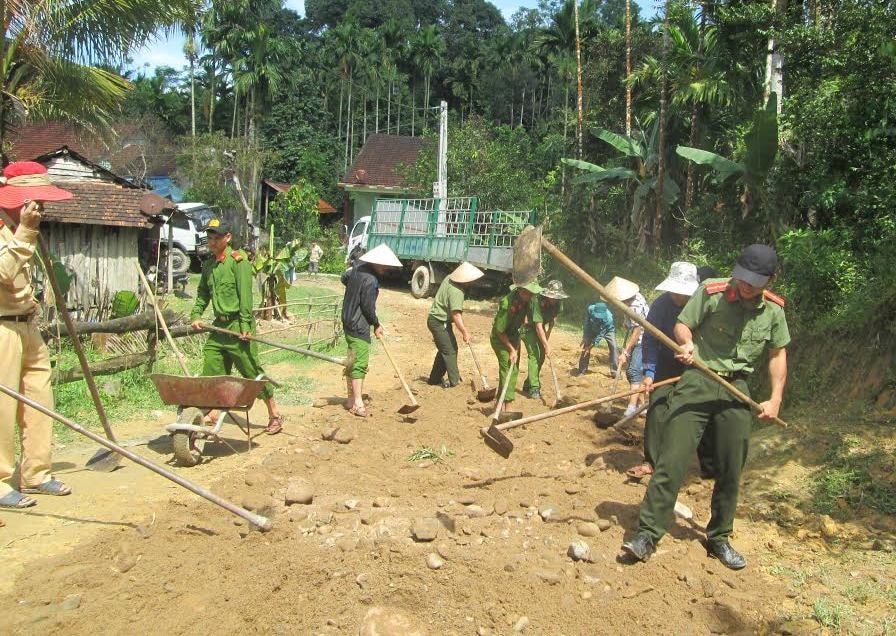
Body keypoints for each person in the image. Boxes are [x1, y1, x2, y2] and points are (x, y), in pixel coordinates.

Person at [622, 245, 790, 570]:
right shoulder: (711, 291)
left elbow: (777, 354)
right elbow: (683, 325)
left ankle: (719, 538)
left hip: (736, 388)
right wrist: (688, 343)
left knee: (730, 467)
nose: (746, 286)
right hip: (698, 379)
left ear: (771, 279)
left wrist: (775, 398)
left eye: (755, 281)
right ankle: (647, 534)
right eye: (743, 277)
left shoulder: (774, 311)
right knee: (671, 459)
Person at [0, 161, 75, 509]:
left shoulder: (24, 228)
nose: (41, 208)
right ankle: (1, 483)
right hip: (2, 328)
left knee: (39, 402)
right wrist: (25, 234)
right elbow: (3, 272)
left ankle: (36, 473)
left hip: (28, 324)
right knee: (3, 407)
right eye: (36, 201)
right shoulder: (6, 229)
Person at [190, 218, 284, 435]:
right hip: (218, 328)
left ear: (228, 238)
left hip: (238, 325)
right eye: (210, 238)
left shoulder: (238, 261)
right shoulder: (208, 266)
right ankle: (214, 411)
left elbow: (245, 297)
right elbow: (203, 294)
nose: (212, 242)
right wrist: (196, 314)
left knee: (251, 371)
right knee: (211, 370)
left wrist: (245, 326)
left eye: (216, 238)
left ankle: (275, 414)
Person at [625, 262, 701, 480]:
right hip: (665, 365)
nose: (677, 297)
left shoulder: (703, 304)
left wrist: (696, 355)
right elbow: (649, 339)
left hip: (696, 367)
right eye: (674, 292)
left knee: (688, 414)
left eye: (682, 292)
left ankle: (684, 462)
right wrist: (649, 372)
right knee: (657, 409)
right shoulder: (661, 305)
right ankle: (651, 460)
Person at [341, 243, 402, 416]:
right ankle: (357, 404)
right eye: (383, 265)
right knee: (359, 363)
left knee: (351, 360)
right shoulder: (371, 280)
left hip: (347, 319)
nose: (385, 268)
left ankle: (350, 399)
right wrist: (376, 324)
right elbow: (368, 307)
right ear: (376, 263)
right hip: (358, 324)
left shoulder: (357, 270)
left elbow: (343, 279)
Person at [427, 261, 484, 388]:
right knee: (451, 350)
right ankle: (455, 381)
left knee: (445, 349)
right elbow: (456, 315)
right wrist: (465, 332)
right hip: (439, 322)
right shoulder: (457, 292)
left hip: (436, 320)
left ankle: (434, 379)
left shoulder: (449, 278)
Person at [490, 281, 542, 415]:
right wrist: (512, 350)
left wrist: (523, 321)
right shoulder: (507, 304)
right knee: (508, 369)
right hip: (500, 339)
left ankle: (498, 404)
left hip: (514, 336)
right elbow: (499, 331)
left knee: (514, 369)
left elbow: (528, 316)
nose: (531, 296)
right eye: (529, 294)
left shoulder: (528, 300)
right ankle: (508, 406)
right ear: (521, 292)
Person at [606, 276, 650, 416]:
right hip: (637, 337)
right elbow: (631, 326)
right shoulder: (633, 299)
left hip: (644, 340)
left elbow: (637, 331)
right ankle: (642, 405)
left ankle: (631, 408)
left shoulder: (634, 306)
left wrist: (626, 352)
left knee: (633, 372)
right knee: (634, 374)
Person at [521, 280, 569, 400]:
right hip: (528, 328)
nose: (554, 300)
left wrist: (547, 337)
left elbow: (553, 320)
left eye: (556, 297)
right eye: (552, 297)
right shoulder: (536, 300)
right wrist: (547, 345)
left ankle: (528, 384)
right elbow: (538, 325)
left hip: (541, 328)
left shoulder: (558, 303)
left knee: (541, 357)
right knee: (534, 355)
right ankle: (534, 388)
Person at [577, 299, 618, 375]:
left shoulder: (609, 319)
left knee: (614, 347)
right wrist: (585, 336)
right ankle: (582, 370)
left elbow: (600, 335)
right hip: (593, 327)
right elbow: (587, 323)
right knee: (586, 345)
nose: (599, 318)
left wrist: (590, 347)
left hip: (607, 330)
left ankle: (615, 372)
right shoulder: (590, 309)